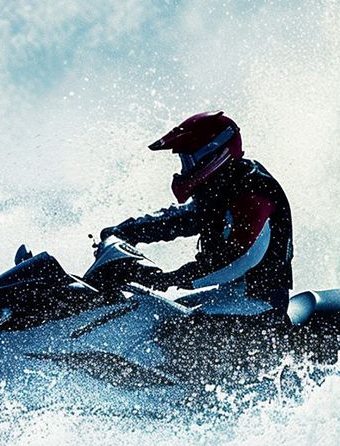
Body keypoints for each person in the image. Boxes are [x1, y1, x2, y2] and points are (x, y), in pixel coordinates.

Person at [100, 111, 293, 316]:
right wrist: (126, 231)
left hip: (262, 307)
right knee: (145, 311)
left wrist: (169, 278)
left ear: (214, 154)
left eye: (189, 160)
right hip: (231, 296)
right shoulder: (224, 187)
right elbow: (182, 219)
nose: (185, 169)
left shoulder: (253, 194)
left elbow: (236, 259)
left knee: (168, 330)